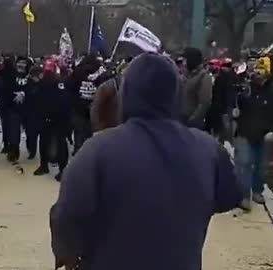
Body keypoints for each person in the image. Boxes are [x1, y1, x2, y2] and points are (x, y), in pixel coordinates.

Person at [50, 53, 242, 270]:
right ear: (175, 94)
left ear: (128, 94)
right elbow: (230, 195)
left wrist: (69, 254)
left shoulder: (98, 150)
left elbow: (67, 214)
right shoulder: (208, 149)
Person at [233, 60, 273, 211]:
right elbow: (235, 105)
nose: (257, 72)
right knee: (245, 163)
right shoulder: (246, 88)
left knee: (260, 166)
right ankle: (244, 195)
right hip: (245, 132)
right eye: (256, 69)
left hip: (265, 135)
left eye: (261, 69)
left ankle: (257, 190)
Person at [33, 59, 70, 181]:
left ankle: (62, 169)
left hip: (58, 118)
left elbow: (63, 102)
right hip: (46, 118)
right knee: (45, 142)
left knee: (60, 144)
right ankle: (44, 166)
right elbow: (38, 100)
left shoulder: (59, 84)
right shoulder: (43, 83)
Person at [181, 47, 213, 129]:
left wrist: (191, 121)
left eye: (185, 60)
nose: (183, 63)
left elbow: (204, 104)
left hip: (191, 126)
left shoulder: (204, 77)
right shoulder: (185, 75)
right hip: (179, 121)